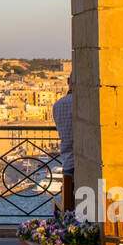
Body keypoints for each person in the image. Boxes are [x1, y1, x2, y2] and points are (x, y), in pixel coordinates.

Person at [50, 77, 75, 214]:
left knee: (69, 206)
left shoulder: (57, 105)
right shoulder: (84, 103)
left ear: (67, 81)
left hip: (67, 160)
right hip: (82, 162)